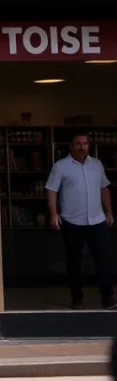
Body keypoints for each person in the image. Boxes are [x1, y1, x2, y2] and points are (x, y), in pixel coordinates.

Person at [47, 132, 116, 310]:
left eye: (85, 143)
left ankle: (108, 297)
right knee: (74, 261)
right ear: (71, 146)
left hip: (96, 220)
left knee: (103, 259)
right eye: (78, 144)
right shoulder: (60, 166)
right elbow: (52, 191)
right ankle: (77, 297)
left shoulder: (97, 164)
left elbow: (104, 189)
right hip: (72, 222)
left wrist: (109, 212)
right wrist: (54, 214)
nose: (82, 147)